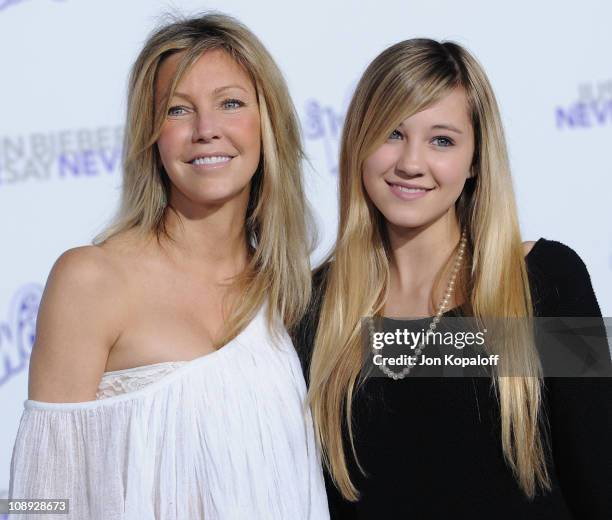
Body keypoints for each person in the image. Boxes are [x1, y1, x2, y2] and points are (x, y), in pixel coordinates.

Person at [10, 13, 329, 519]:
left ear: (267, 123)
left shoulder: (292, 294)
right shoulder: (92, 281)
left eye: (230, 103)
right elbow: (39, 499)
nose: (207, 130)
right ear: (151, 135)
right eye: (179, 110)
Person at [294, 39, 612, 519]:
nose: (411, 163)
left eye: (441, 140)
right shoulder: (318, 308)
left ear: (476, 160)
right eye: (391, 134)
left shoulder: (547, 281)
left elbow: (599, 479)